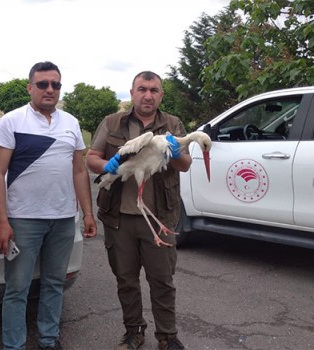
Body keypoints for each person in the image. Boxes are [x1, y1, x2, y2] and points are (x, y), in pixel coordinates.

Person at [0, 61, 97, 350]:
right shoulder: (12, 121)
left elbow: (79, 171)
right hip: (23, 219)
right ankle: (14, 345)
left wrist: (88, 213)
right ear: (30, 88)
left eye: (56, 85)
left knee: (54, 285)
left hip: (63, 219)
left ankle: (49, 341)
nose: (50, 90)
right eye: (43, 84)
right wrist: (2, 221)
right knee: (17, 289)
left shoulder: (71, 123)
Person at [85, 71, 190, 350]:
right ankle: (134, 332)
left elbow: (186, 164)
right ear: (131, 93)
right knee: (126, 281)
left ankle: (167, 336)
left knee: (162, 281)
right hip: (119, 218)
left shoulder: (173, 123)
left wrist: (177, 153)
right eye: (142, 89)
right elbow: (92, 159)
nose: (148, 95)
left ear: (161, 95)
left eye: (154, 90)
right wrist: (109, 165)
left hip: (159, 218)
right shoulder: (112, 122)